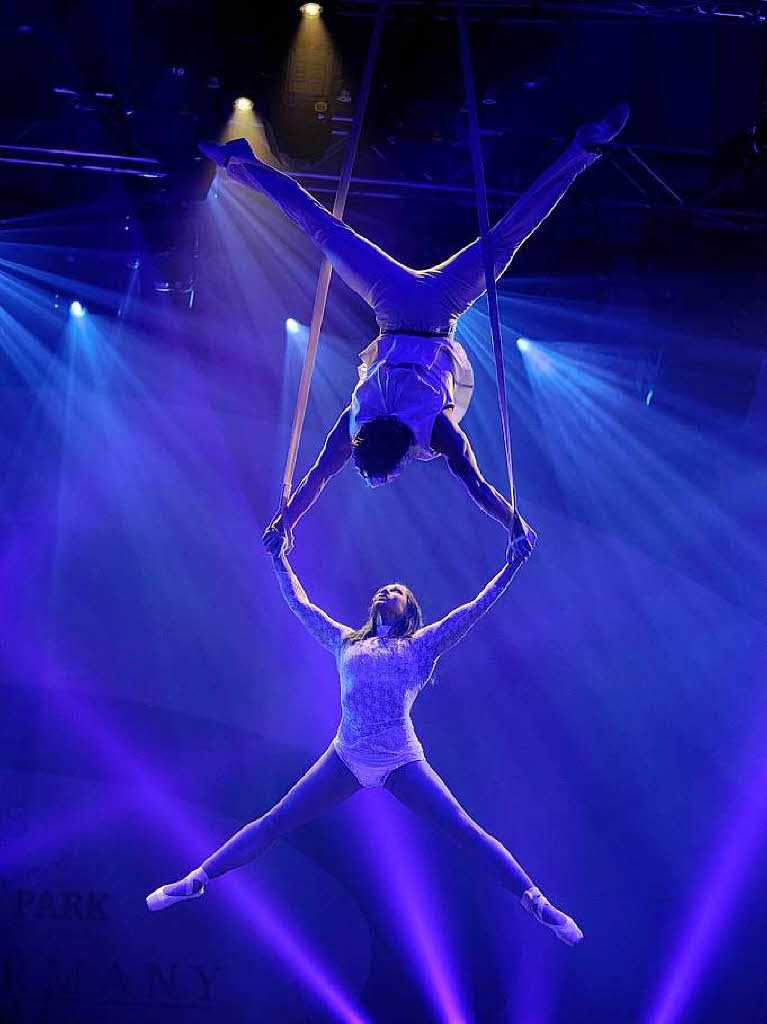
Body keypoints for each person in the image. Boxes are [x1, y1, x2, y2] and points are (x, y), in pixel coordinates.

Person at [198, 104, 628, 551]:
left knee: (508, 236)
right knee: (322, 228)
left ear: (401, 460)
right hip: (392, 302)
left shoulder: (437, 433)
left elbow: (478, 487)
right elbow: (315, 480)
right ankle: (241, 163)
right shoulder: (356, 424)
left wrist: (515, 525)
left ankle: (584, 148)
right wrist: (283, 522)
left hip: (441, 309)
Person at [146, 514, 583, 946]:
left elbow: (475, 608)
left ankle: (535, 899)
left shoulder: (423, 645)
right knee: (276, 819)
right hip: (346, 755)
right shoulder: (346, 642)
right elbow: (301, 604)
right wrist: (279, 559)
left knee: (463, 830)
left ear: (409, 609)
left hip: (400, 759)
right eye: (382, 588)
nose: (385, 591)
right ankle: (198, 877)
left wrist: (512, 564)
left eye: (395, 591)